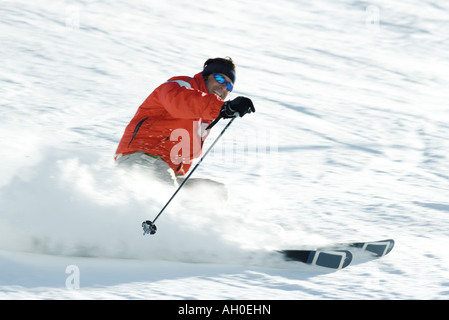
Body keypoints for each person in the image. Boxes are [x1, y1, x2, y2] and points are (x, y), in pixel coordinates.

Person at [115, 57, 255, 187]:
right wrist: (222, 107)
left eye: (229, 87)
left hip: (170, 172)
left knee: (213, 191)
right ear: (206, 76)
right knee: (165, 189)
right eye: (219, 79)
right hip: (140, 157)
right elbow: (181, 103)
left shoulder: (206, 118)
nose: (223, 87)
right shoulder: (180, 87)